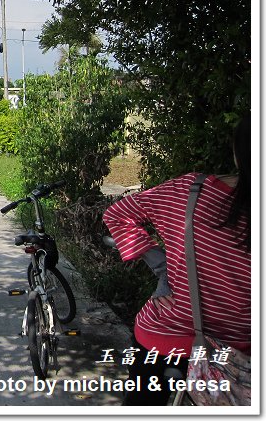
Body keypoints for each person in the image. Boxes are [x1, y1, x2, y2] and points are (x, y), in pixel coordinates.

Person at [103, 117, 251, 405]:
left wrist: (162, 269)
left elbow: (118, 214)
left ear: (237, 152)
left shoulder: (188, 192)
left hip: (166, 337)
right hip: (243, 354)